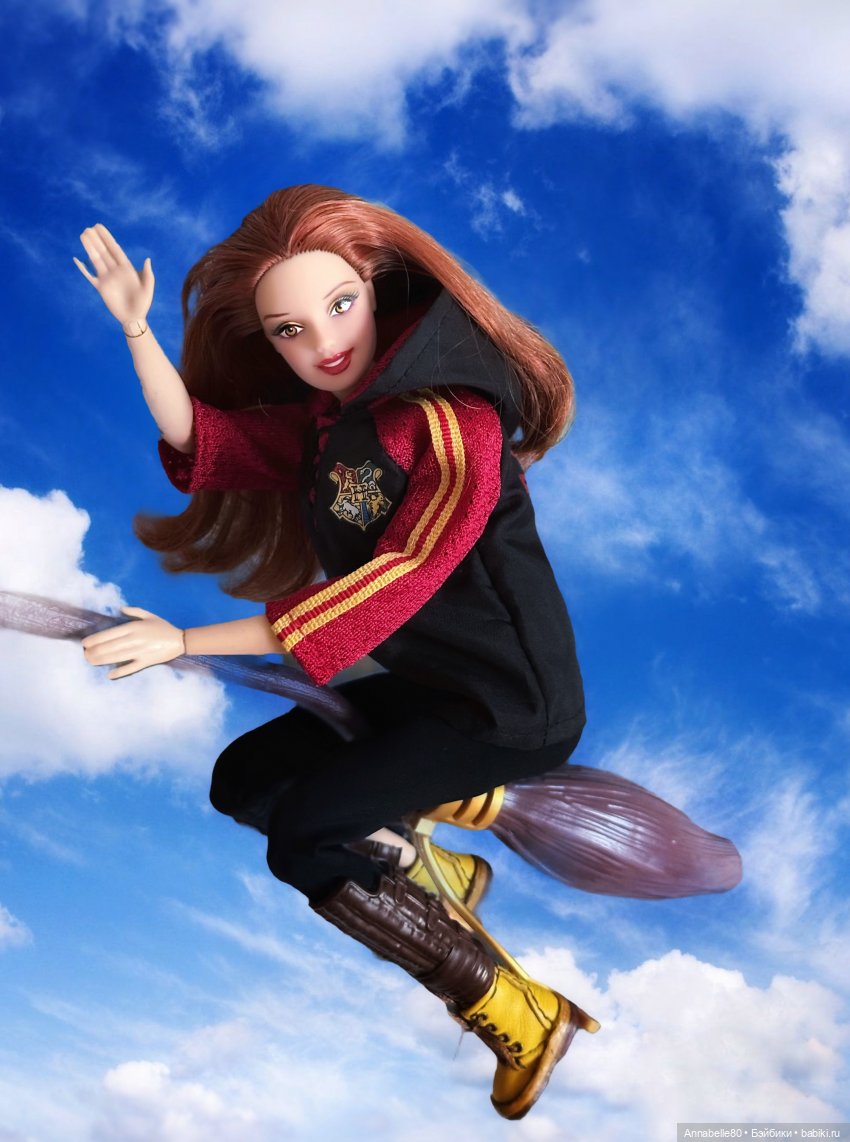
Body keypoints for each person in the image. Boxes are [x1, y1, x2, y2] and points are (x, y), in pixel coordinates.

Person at [75, 185, 596, 1120]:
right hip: (428, 686)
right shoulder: (333, 422)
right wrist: (137, 333)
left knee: (305, 837)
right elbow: (207, 437)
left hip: (509, 707)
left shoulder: (454, 424)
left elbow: (389, 585)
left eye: (340, 305)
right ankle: (436, 854)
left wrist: (183, 643)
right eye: (289, 330)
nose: (322, 342)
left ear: (374, 284)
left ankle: (512, 1005)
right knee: (246, 781)